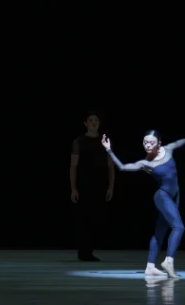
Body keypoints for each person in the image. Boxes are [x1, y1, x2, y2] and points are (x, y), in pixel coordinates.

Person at [102, 131, 185, 278]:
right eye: (145, 142)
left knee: (160, 231)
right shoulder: (146, 163)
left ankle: (150, 267)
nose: (147, 145)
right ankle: (169, 261)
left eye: (151, 142)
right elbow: (123, 167)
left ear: (159, 143)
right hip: (162, 196)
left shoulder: (168, 149)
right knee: (179, 227)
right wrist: (108, 149)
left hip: (175, 195)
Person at [70, 111, 115, 261]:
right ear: (86, 123)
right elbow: (73, 166)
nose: (94, 123)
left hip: (100, 185)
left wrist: (110, 187)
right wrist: (74, 188)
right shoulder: (79, 141)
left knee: (97, 219)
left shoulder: (104, 141)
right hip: (84, 185)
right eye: (91, 120)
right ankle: (84, 252)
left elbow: (110, 165)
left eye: (96, 120)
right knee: (84, 219)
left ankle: (88, 250)